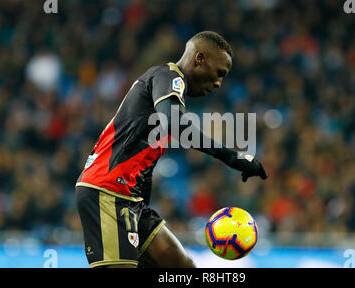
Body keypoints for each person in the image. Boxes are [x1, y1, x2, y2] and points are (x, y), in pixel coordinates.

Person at [75, 31, 268, 268]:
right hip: (106, 190)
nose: (218, 83)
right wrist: (233, 157)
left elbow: (143, 163)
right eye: (219, 73)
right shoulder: (167, 76)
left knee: (183, 268)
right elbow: (174, 122)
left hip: (129, 199)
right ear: (199, 58)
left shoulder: (165, 89)